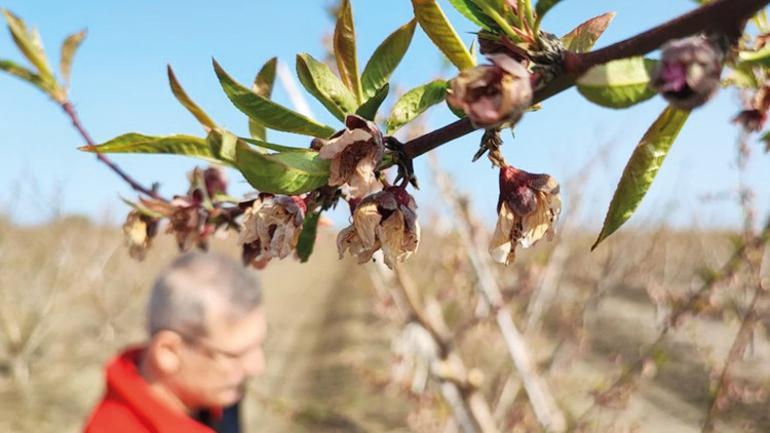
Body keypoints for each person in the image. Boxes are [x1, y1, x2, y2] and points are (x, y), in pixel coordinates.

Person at [84, 252, 267, 433]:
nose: (256, 367)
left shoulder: (213, 399)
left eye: (257, 346)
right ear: (168, 351)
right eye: (235, 355)